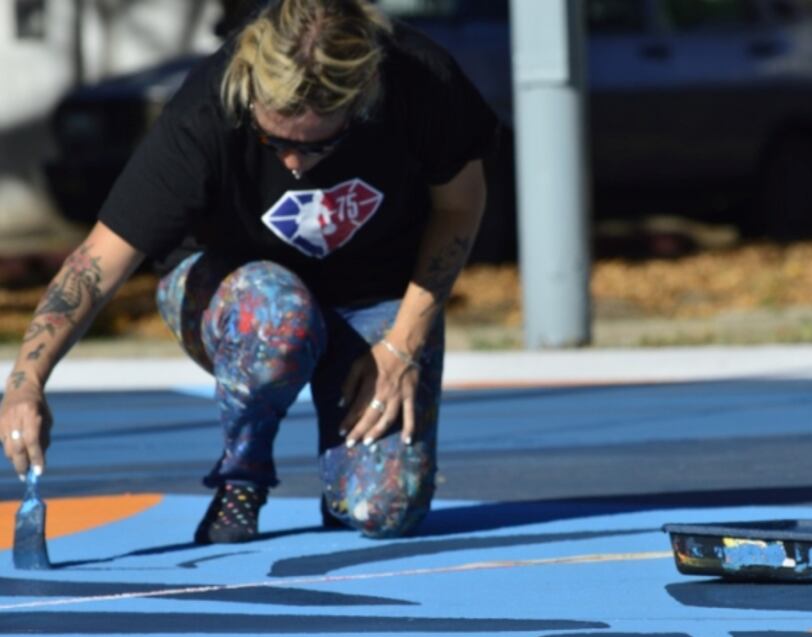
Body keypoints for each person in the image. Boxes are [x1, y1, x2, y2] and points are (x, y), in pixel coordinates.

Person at [0, 0, 498, 542]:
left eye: (316, 147)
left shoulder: (420, 80)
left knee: (384, 509)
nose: (292, 165)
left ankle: (344, 478)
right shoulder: (207, 108)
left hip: (375, 292)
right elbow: (97, 262)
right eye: (274, 141)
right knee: (279, 313)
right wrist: (27, 382)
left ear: (364, 98)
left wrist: (403, 343)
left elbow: (459, 206)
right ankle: (243, 477)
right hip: (243, 297)